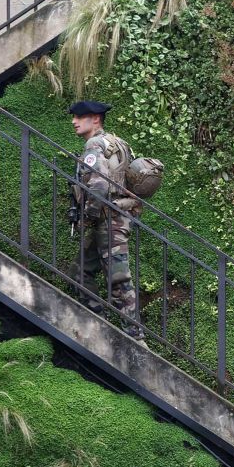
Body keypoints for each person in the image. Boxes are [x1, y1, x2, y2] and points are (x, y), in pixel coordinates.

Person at [68, 100, 143, 341]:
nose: (74, 121)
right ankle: (96, 321)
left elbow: (99, 185)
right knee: (80, 270)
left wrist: (87, 217)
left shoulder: (94, 144)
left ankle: (134, 336)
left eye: (80, 117)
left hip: (106, 220)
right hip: (114, 216)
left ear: (96, 119)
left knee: (118, 278)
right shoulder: (117, 142)